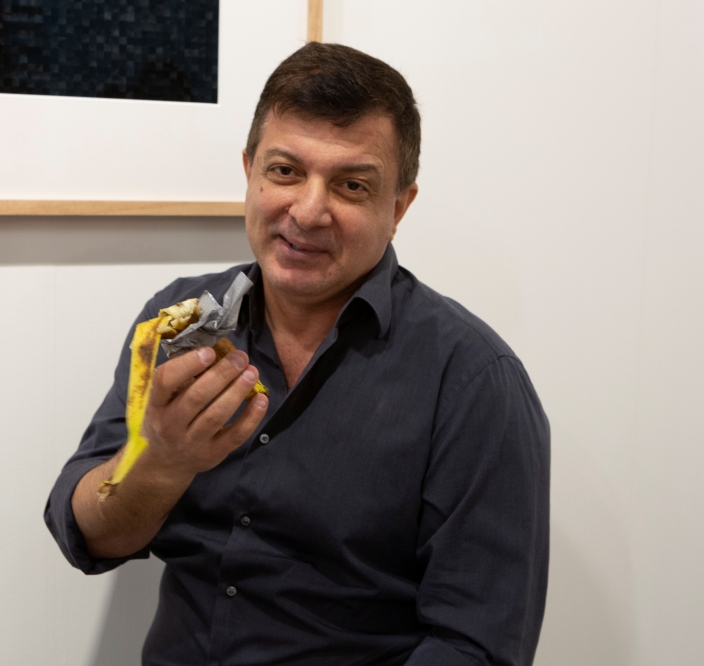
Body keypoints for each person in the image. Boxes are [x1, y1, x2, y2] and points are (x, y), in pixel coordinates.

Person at [46, 42, 549, 666]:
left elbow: (476, 646)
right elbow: (87, 536)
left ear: (398, 208)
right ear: (250, 170)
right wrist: (159, 462)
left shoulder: (474, 382)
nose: (308, 211)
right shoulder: (175, 324)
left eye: (352, 185)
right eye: (285, 171)